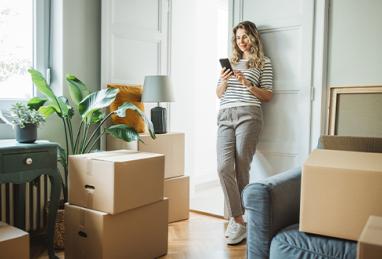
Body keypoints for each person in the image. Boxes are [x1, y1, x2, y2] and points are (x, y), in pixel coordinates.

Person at [216, 20, 273, 245]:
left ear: (253, 37)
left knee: (241, 166)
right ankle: (239, 219)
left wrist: (248, 84)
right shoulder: (230, 63)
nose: (241, 41)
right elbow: (219, 94)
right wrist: (224, 81)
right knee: (223, 167)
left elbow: (268, 94)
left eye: (245, 37)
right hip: (225, 116)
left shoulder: (263, 62)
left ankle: (239, 222)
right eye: (238, 38)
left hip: (249, 114)